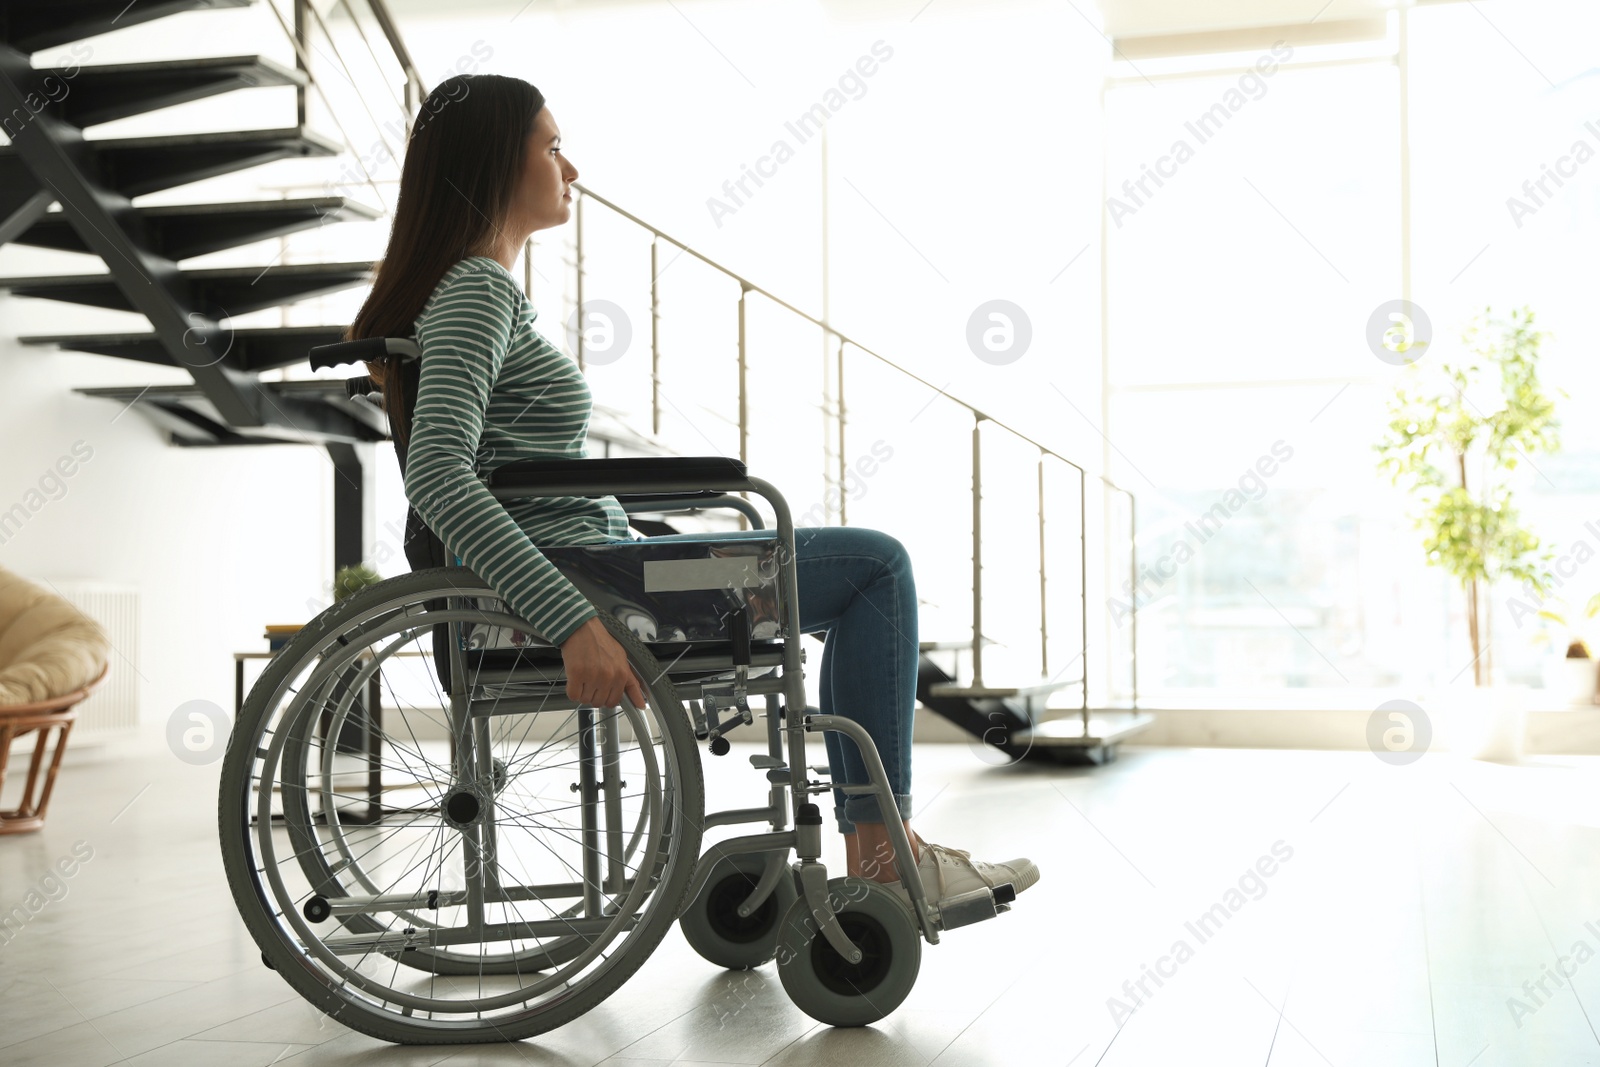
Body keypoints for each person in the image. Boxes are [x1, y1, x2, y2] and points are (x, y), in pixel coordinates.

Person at [347, 73, 1038, 909]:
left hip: (600, 563)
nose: (572, 168)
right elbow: (440, 478)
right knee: (875, 570)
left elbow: (499, 474)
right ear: (496, 162)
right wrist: (574, 623)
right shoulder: (476, 290)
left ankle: (883, 846)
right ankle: (886, 854)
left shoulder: (476, 291)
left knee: (848, 564)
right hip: (592, 586)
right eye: (552, 145)